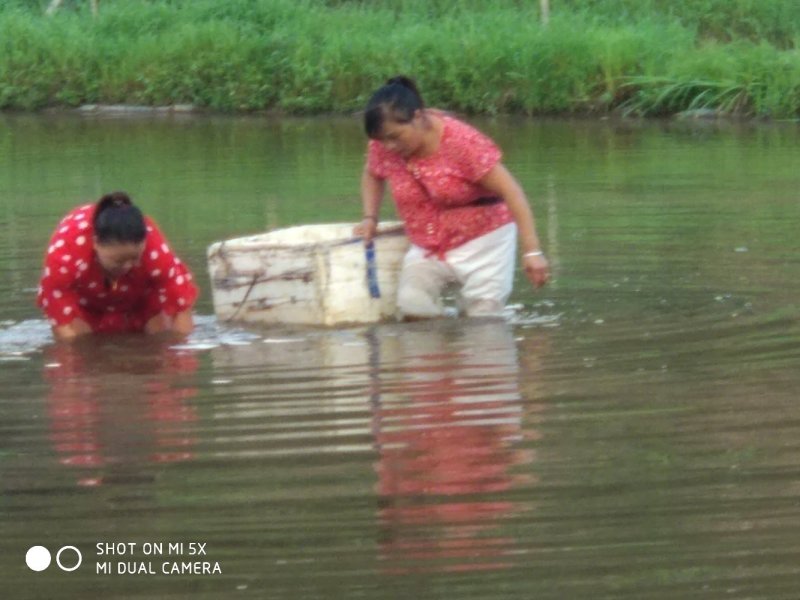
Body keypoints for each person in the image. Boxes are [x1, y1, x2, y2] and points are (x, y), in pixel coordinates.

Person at [357, 76, 550, 319]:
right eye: (382, 140)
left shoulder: (462, 143)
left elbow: (512, 191)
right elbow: (373, 173)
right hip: (427, 243)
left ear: (417, 117)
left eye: (395, 137)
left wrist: (532, 252)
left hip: (484, 240)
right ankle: (443, 344)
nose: (389, 147)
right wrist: (369, 217)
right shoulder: (383, 145)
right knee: (412, 306)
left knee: (482, 321)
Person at [37, 191, 198, 340]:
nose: (127, 267)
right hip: (84, 296)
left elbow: (180, 308)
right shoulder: (66, 255)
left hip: (142, 292)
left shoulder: (156, 251)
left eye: (135, 259)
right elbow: (63, 327)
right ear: (95, 243)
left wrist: (180, 357)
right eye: (118, 261)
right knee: (82, 343)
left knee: (160, 338)